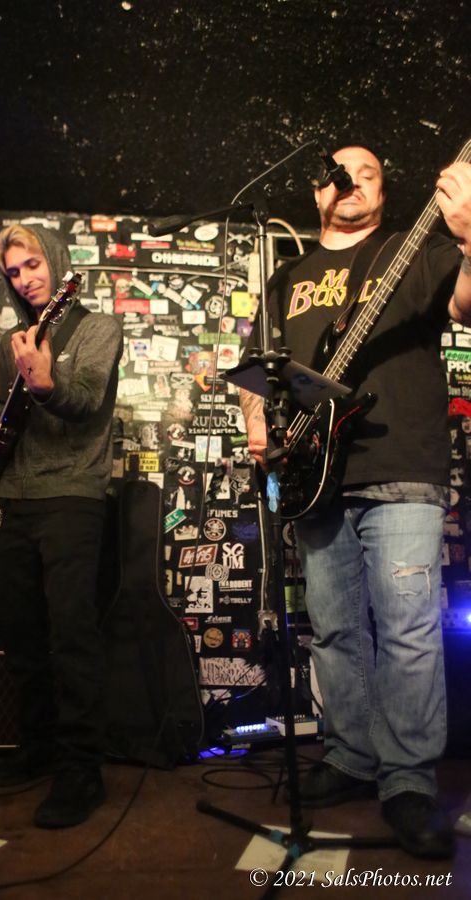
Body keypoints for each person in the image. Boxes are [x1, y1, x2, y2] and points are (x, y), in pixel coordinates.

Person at [240, 145, 471, 859]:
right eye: (339, 175)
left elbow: (466, 302)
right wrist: (258, 424)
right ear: (318, 193)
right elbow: (260, 370)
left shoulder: (412, 249)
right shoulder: (287, 278)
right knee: (336, 630)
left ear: (383, 193)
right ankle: (349, 756)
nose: (352, 184)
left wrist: (468, 233)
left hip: (400, 465)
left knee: (406, 630)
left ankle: (408, 781)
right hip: (314, 476)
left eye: (368, 175)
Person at [0, 223, 122, 829]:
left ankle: (82, 771)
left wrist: (47, 382)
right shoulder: (15, 339)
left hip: (73, 498)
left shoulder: (99, 328)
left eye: (33, 264)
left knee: (72, 637)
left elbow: (84, 402)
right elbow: (14, 412)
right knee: (22, 634)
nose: (26, 279)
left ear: (55, 260)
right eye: (14, 272)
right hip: (15, 497)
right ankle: (37, 747)